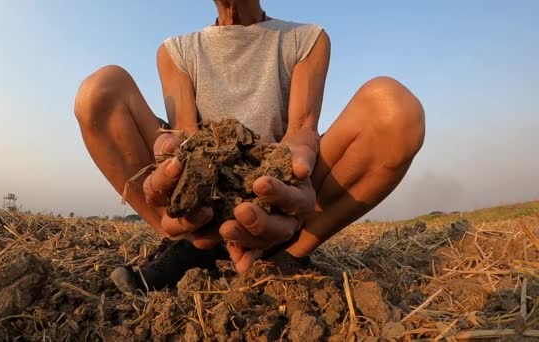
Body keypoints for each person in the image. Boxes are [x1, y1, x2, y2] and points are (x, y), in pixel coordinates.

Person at [74, 0, 425, 294]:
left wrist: (295, 164)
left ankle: (289, 254)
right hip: (208, 198)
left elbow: (302, 128)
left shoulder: (306, 39)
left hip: (275, 193)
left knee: (394, 108)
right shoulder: (176, 50)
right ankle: (186, 240)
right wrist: (176, 163)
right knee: (101, 91)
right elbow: (187, 133)